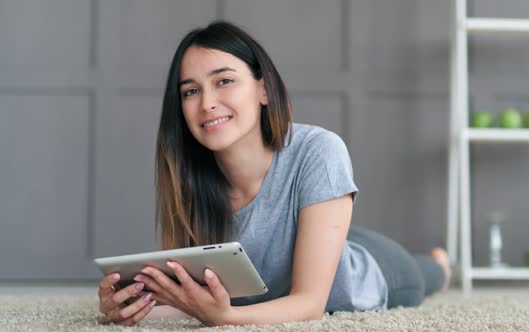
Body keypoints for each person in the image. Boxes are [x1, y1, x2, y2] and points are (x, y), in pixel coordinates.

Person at [97, 20, 451, 327]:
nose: (206, 103)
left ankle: (440, 262)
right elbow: (192, 304)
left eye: (224, 81)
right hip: (322, 233)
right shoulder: (187, 176)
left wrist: (224, 319)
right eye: (191, 91)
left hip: (371, 271)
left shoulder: (319, 150)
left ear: (263, 89)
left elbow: (309, 306)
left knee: (427, 275)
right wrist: (131, 310)